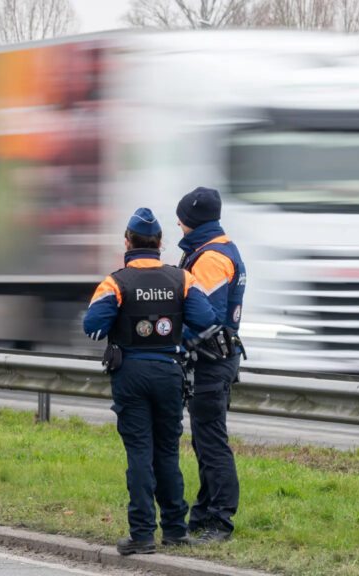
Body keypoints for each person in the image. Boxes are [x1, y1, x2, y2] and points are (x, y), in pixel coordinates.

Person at [83, 207, 215, 555]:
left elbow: (92, 326)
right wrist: (175, 331)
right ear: (160, 243)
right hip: (169, 371)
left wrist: (121, 325)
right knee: (168, 452)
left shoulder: (116, 282)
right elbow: (205, 319)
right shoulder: (181, 278)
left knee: (140, 451)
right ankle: (175, 530)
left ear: (127, 242)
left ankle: (142, 534)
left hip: (130, 374)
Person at [176, 186, 246, 542]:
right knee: (204, 440)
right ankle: (203, 514)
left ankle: (220, 520)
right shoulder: (212, 250)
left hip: (211, 360)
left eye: (182, 220)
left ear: (192, 221)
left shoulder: (212, 258)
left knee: (212, 441)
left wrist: (172, 341)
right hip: (216, 359)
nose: (178, 225)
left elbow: (205, 316)